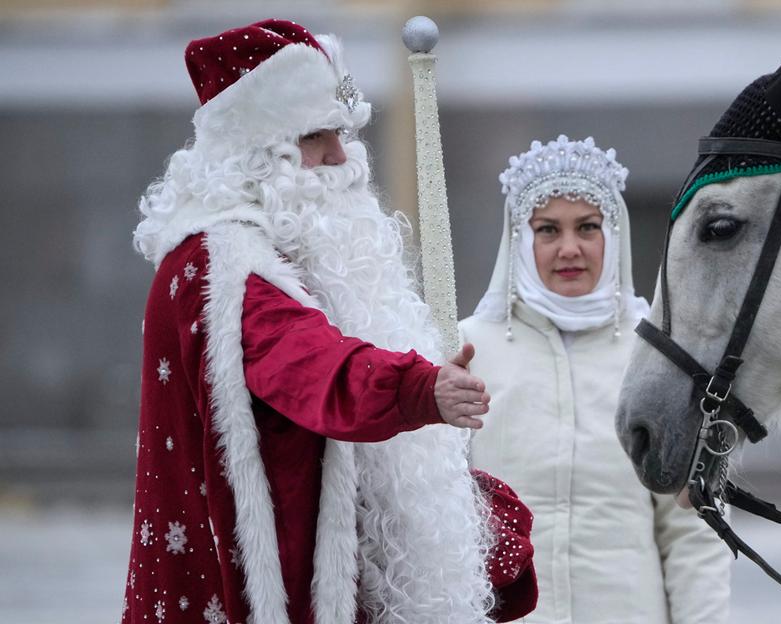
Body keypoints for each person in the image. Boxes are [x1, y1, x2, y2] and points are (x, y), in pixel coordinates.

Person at [124, 19, 536, 624]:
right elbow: (306, 364)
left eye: (343, 133)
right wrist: (420, 389)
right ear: (257, 149)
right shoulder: (222, 266)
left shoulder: (291, 251)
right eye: (319, 136)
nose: (343, 158)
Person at [461, 135, 732, 623]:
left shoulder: (660, 358)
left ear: (614, 234)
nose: (570, 248)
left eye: (587, 227)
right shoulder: (467, 353)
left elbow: (693, 531)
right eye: (548, 230)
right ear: (521, 240)